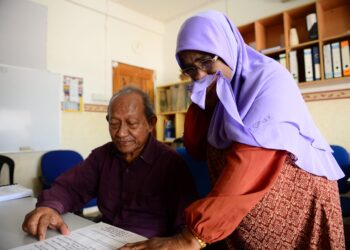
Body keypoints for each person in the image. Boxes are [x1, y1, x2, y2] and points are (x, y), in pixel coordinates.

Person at [120, 10, 345, 250]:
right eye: (189, 70)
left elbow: (253, 160)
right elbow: (196, 147)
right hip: (243, 210)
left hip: (297, 205)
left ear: (226, 47)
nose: (199, 75)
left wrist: (192, 237)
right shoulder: (221, 93)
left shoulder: (269, 80)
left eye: (206, 62)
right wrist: (202, 104)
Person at [22, 86, 198, 241]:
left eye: (132, 123)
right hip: (103, 238)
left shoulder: (170, 163)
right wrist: (48, 207)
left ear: (151, 123)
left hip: (147, 244)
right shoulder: (102, 156)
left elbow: (186, 225)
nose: (121, 133)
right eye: (114, 124)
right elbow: (70, 187)